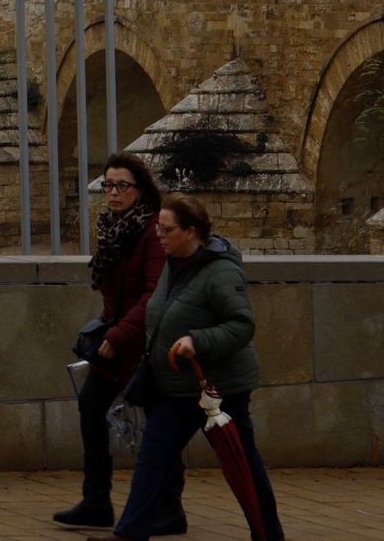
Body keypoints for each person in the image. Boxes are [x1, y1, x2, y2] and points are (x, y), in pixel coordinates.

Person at [91, 195, 282, 541]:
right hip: (173, 388)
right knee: (153, 460)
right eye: (158, 229)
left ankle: (268, 534)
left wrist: (197, 339)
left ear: (191, 231)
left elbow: (242, 325)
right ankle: (130, 535)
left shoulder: (221, 271)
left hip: (218, 388)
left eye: (167, 229)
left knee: (242, 463)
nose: (159, 236)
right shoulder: (172, 262)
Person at [54, 153, 175, 531]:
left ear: (140, 189)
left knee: (160, 424)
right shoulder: (113, 227)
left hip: (144, 342)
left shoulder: (153, 230)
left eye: (122, 185)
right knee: (91, 407)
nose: (113, 192)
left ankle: (170, 509)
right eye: (108, 185)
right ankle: (96, 501)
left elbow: (155, 292)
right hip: (118, 336)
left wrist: (120, 334)